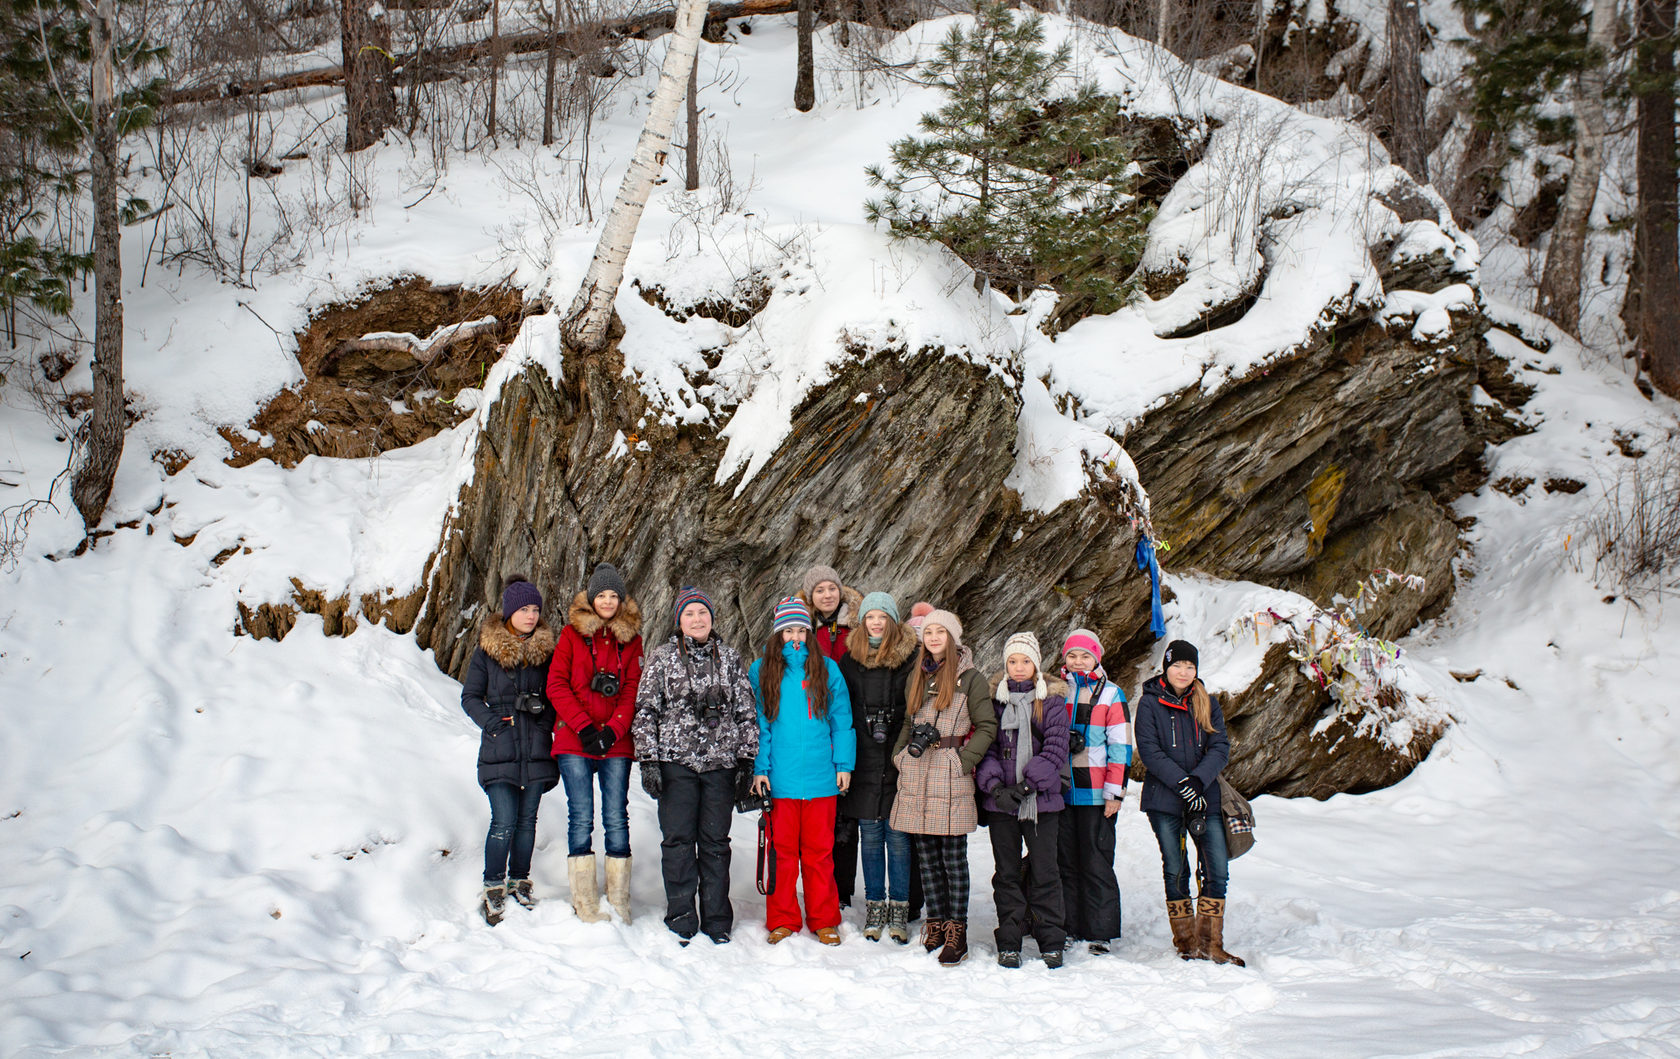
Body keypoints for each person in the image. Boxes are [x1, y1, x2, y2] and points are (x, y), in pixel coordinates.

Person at [632, 587, 759, 945]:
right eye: (690, 614)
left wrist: (746, 760)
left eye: (703, 613)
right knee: (678, 843)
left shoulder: (730, 659)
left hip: (721, 766)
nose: (697, 619)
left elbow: (746, 713)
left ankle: (717, 918)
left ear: (712, 618)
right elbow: (645, 712)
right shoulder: (662, 658)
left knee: (716, 844)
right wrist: (649, 761)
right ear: (679, 620)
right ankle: (682, 914)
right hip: (676, 764)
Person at [889, 609, 997, 966]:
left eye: (941, 632)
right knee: (927, 857)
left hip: (949, 773)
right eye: (929, 632)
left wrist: (963, 762)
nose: (934, 638)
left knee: (953, 859)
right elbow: (908, 720)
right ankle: (935, 922)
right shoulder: (917, 674)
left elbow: (986, 727)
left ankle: (957, 930)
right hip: (918, 772)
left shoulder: (971, 678)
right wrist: (899, 756)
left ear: (953, 637)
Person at [749, 597, 856, 945]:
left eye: (800, 630)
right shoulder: (762, 670)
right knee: (781, 853)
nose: (795, 636)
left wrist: (844, 764)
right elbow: (760, 725)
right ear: (778, 634)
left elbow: (841, 721)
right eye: (788, 630)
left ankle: (824, 919)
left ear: (810, 633)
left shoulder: (827, 669)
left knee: (819, 854)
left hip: (821, 779)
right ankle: (782, 918)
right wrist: (760, 769)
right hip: (780, 779)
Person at [1134, 639, 1244, 966]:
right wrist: (1182, 783)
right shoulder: (1150, 703)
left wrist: (1197, 781)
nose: (1183, 672)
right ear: (1166, 668)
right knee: (1176, 868)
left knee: (1217, 868)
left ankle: (1211, 942)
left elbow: (1220, 746)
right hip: (1164, 800)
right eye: (1177, 666)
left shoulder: (1206, 701)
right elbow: (1149, 751)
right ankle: (1186, 942)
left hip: (1205, 798)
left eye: (1190, 666)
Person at [459, 577, 560, 925]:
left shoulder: (545, 652)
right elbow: (470, 696)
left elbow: (555, 695)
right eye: (524, 609)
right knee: (503, 821)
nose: (531, 616)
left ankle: (520, 880)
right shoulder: (487, 652)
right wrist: (494, 724)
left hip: (535, 748)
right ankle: (492, 885)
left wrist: (544, 724)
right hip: (500, 750)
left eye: (535, 609)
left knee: (527, 822)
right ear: (509, 612)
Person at [547, 562, 644, 924]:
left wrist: (614, 729)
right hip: (575, 740)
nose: (607, 601)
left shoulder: (631, 640)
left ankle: (618, 899)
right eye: (601, 595)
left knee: (617, 816)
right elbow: (556, 684)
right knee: (581, 814)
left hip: (615, 744)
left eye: (613, 596)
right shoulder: (571, 636)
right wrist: (586, 728)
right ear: (591, 598)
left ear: (621, 601)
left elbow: (632, 688)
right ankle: (585, 900)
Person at [975, 632, 1071, 968]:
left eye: (1025, 661)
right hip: (1001, 803)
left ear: (1036, 665)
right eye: (1012, 662)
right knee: (1007, 872)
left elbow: (1056, 748)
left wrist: (1028, 786)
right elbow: (984, 746)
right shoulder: (994, 702)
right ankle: (1010, 940)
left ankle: (1051, 939)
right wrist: (997, 788)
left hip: (1041, 801)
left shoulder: (1052, 702)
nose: (1018, 668)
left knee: (1045, 870)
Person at [836, 591, 918, 943]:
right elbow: (843, 709)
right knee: (870, 836)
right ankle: (874, 904)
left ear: (893, 621)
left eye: (883, 616)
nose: (876, 622)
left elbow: (916, 706)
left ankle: (899, 905)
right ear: (862, 620)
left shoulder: (912, 658)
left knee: (898, 837)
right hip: (863, 756)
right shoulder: (849, 659)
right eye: (871, 616)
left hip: (900, 755)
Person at [1056, 628, 1131, 955]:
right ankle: (1070, 925)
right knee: (1066, 861)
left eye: (1085, 655)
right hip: (1060, 792)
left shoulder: (1112, 694)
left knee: (1096, 860)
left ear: (1096, 657)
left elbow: (1121, 747)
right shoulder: (1057, 691)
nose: (1078, 661)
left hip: (1096, 792)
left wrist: (1115, 793)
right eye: (1072, 655)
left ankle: (1099, 931)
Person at [799, 564, 865, 907]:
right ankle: (821, 887)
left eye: (831, 588)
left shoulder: (857, 624)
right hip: (814, 724)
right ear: (811, 596)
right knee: (823, 812)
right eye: (819, 590)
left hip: (852, 719)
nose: (827, 595)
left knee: (847, 812)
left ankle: (842, 890)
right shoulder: (800, 626)